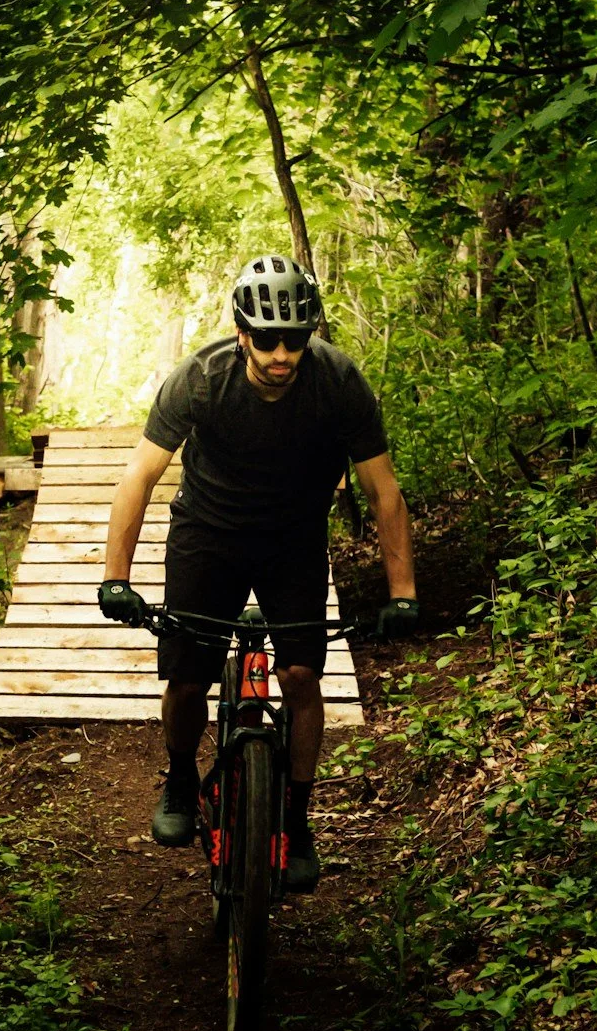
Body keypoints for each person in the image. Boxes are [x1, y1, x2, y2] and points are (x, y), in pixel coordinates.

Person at [96, 255, 421, 892]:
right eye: (267, 338)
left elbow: (384, 492)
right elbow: (138, 476)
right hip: (207, 533)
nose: (281, 353)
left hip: (293, 538)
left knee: (301, 676)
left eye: (295, 338)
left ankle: (295, 820)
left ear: (309, 335)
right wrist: (116, 578)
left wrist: (403, 594)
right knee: (188, 679)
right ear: (242, 332)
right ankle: (183, 778)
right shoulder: (200, 379)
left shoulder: (338, 383)